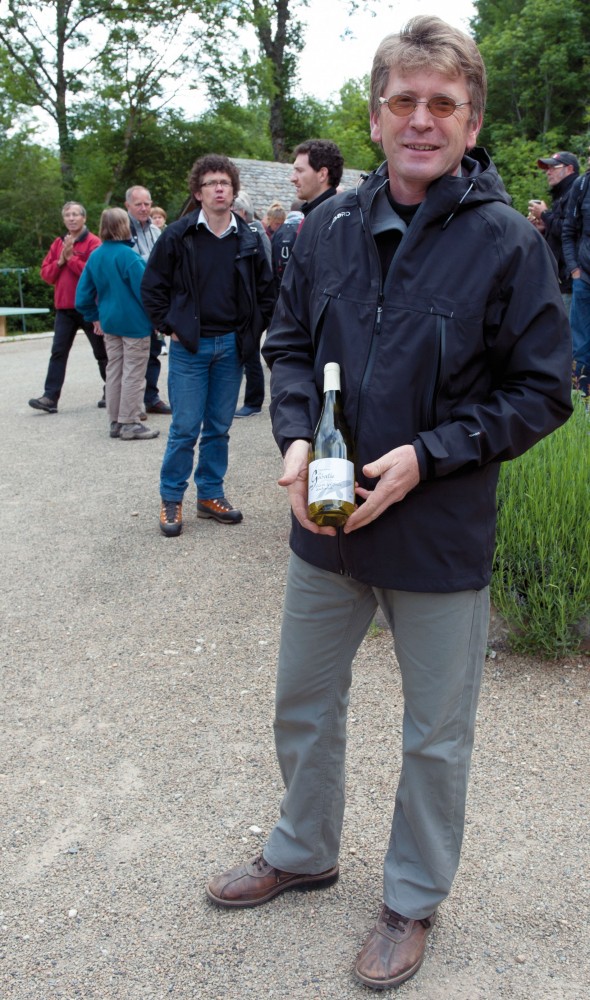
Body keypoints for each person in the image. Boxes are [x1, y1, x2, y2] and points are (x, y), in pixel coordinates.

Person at [206, 16, 573, 992]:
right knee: (302, 696)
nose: (420, 120)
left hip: (437, 527)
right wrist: (291, 433)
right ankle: (302, 846)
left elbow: (541, 390)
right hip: (323, 525)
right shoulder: (324, 229)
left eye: (440, 104)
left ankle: (409, 895)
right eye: (402, 101)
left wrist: (428, 455)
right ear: (373, 117)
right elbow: (287, 345)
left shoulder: (506, 242)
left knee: (434, 729)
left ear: (469, 119)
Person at [141, 154, 276, 537]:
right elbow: (152, 288)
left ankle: (210, 496)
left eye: (225, 183)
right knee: (185, 427)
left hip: (231, 348)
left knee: (218, 427)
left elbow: (267, 292)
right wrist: (171, 326)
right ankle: (171, 498)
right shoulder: (178, 235)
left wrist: (251, 333)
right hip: (191, 349)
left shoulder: (249, 236)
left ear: (233, 191)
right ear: (198, 193)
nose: (219, 188)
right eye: (211, 183)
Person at [75, 208, 159, 441]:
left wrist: (94, 316)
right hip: (134, 324)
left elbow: (82, 295)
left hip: (110, 322)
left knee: (114, 371)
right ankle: (129, 421)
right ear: (125, 226)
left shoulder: (96, 255)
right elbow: (146, 293)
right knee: (133, 373)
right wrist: (157, 319)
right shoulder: (129, 257)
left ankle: (115, 420)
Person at [28, 201, 105, 414]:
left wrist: (70, 260)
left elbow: (94, 275)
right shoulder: (57, 244)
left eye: (75, 214)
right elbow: (47, 275)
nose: (71, 218)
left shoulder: (94, 243)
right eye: (67, 215)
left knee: (102, 352)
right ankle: (50, 397)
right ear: (63, 219)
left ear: (84, 218)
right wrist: (60, 260)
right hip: (64, 309)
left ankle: (112, 391)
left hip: (89, 309)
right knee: (58, 352)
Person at [125, 185, 171, 416]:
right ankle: (131, 404)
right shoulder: (122, 231)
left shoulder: (155, 231)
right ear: (128, 206)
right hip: (131, 299)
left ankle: (150, 397)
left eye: (147, 204)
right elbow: (129, 264)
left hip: (154, 298)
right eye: (138, 204)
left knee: (153, 351)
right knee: (130, 357)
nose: (144, 209)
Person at [233, 190, 272, 418]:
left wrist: (262, 309)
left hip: (255, 305)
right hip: (245, 305)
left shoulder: (256, 232)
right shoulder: (246, 231)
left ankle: (254, 402)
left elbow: (265, 269)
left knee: (251, 353)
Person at [528, 151, 579, 311]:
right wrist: (544, 227)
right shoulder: (562, 194)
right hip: (561, 279)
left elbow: (571, 230)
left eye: (553, 167)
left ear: (569, 169)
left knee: (569, 332)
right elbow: (559, 228)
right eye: (546, 168)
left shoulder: (576, 193)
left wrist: (544, 214)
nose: (548, 172)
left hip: (571, 279)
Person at [562, 146, 590, 397]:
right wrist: (574, 269)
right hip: (585, 280)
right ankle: (581, 403)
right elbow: (568, 231)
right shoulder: (582, 186)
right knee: (580, 346)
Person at [290, 138, 344, 218]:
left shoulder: (332, 222)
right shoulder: (320, 216)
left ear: (322, 174)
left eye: (300, 171)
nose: (292, 178)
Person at [270, 200, 304, 292]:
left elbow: (272, 263)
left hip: (280, 286)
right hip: (299, 287)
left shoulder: (278, 232)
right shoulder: (305, 228)